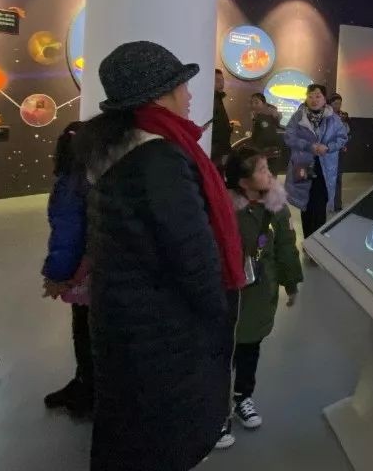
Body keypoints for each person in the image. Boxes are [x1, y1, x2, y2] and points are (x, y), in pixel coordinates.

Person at [73, 41, 245, 471]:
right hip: (163, 327)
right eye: (181, 85)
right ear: (158, 94)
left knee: (128, 429)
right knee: (160, 438)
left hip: (126, 317)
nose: (188, 95)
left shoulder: (118, 147)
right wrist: (218, 313)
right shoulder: (160, 157)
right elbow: (191, 254)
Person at [220, 147, 302, 447]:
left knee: (250, 347)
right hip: (228, 294)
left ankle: (243, 397)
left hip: (259, 293)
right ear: (243, 182)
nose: (270, 175)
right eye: (262, 170)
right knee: (222, 354)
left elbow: (286, 248)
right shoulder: (225, 210)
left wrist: (291, 283)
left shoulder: (276, 208)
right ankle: (216, 413)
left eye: (268, 168)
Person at [41, 120, 93, 418]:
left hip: (82, 272)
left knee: (84, 331)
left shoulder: (71, 182)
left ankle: (87, 391)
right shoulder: (99, 175)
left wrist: (57, 276)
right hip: (101, 266)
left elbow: (67, 234)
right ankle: (86, 384)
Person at [284, 84, 348, 244]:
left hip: (325, 168)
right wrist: (309, 146)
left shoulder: (333, 118)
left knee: (321, 203)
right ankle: (307, 241)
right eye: (310, 96)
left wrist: (328, 147)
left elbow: (342, 137)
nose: (314, 100)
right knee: (305, 203)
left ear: (325, 99)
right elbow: (289, 137)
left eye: (318, 96)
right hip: (303, 165)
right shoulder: (298, 116)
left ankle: (316, 242)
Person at [249, 93, 283, 175]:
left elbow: (267, 136)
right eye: (252, 103)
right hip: (266, 153)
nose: (253, 105)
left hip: (266, 153)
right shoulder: (258, 117)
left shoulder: (266, 116)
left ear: (264, 103)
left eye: (256, 102)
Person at [329, 93, 350, 211]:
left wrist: (344, 143)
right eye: (335, 103)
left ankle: (337, 204)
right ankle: (328, 203)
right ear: (330, 103)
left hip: (339, 152)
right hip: (327, 152)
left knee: (338, 179)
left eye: (339, 103)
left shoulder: (343, 116)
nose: (337, 106)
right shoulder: (325, 115)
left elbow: (347, 133)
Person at [211, 69, 233, 171]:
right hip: (215, 151)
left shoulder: (218, 98)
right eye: (217, 80)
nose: (221, 83)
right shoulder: (212, 99)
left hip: (219, 150)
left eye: (222, 80)